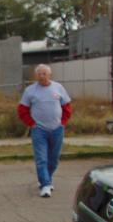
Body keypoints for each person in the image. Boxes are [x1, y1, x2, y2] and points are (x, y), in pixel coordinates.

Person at [17, 64, 72, 198]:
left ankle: (47, 178)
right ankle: (45, 185)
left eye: (44, 74)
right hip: (39, 130)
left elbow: (67, 106)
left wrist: (63, 122)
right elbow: (22, 110)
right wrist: (32, 124)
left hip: (57, 129)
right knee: (41, 159)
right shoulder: (30, 91)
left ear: (49, 75)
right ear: (36, 76)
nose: (42, 76)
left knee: (54, 159)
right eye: (39, 74)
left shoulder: (58, 88)